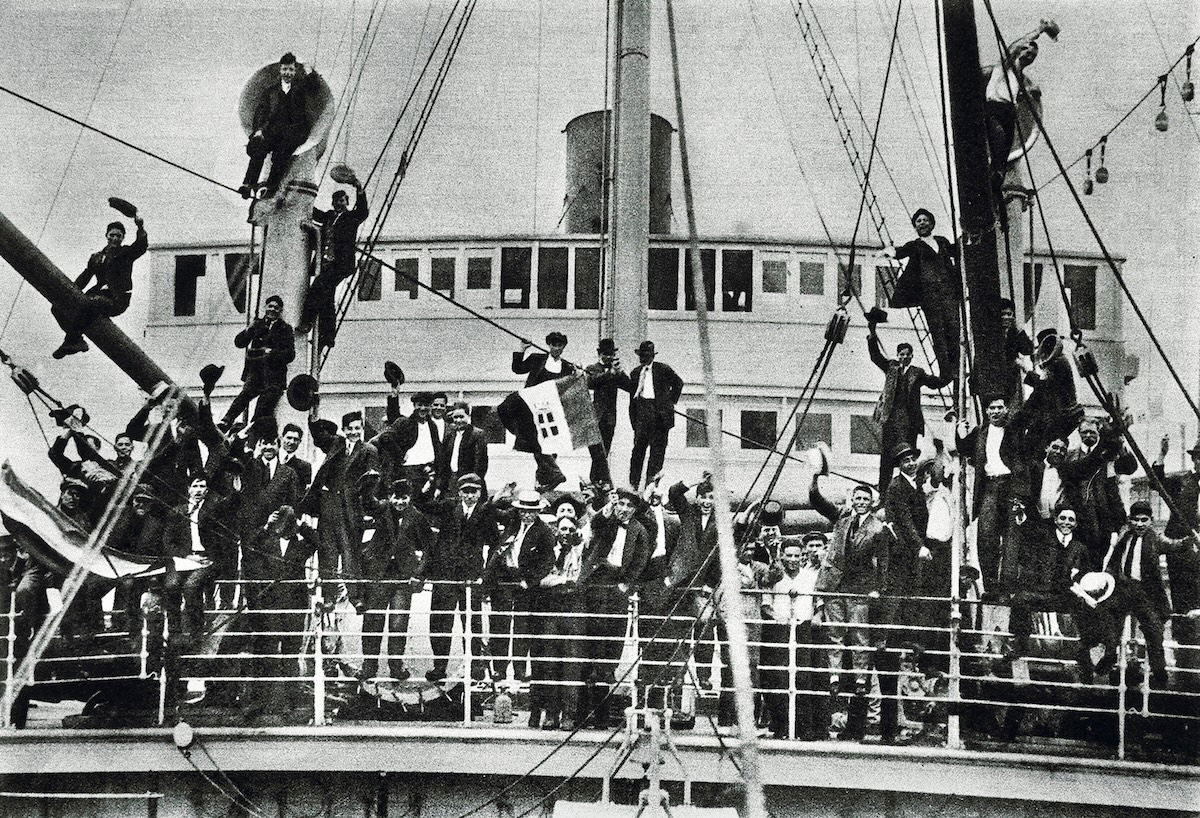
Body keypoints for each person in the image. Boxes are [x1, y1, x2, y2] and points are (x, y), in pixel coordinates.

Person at [815, 483, 890, 741]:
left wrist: (878, 589)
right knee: (834, 634)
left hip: (860, 588)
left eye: (865, 499)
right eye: (857, 498)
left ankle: (860, 679)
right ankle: (834, 675)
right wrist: (816, 478)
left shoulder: (878, 528)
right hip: (837, 586)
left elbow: (883, 563)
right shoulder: (842, 521)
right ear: (852, 500)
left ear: (871, 503)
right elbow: (817, 501)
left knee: (860, 636)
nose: (860, 502)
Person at [1100, 501, 1197, 688]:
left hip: (1145, 593)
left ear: (1151, 521)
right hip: (1123, 589)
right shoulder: (1125, 538)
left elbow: (1175, 545)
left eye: (1144, 520)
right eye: (1135, 520)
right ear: (1130, 521)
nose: (1139, 524)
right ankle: (1110, 655)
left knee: (1153, 628)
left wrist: (1190, 540)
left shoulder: (1156, 539)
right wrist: (1109, 580)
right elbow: (1113, 563)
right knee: (1110, 619)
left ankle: (1159, 670)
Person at [576, 487, 650, 726]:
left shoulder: (639, 531)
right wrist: (607, 507)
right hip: (595, 586)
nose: (625, 510)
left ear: (635, 509)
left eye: (630, 506)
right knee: (589, 650)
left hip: (617, 591)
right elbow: (595, 523)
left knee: (610, 651)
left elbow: (640, 562)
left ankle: (601, 717)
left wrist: (626, 586)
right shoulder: (606, 521)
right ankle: (581, 714)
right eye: (622, 504)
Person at [240, 505, 316, 717]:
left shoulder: (300, 546)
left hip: (294, 606)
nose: (284, 528)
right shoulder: (265, 543)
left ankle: (291, 704)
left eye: (288, 524)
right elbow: (247, 546)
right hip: (270, 606)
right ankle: (261, 702)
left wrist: (302, 527)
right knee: (267, 653)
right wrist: (265, 527)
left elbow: (319, 542)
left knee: (291, 654)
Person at [867, 316, 954, 494]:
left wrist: (949, 374)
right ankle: (884, 493)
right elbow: (875, 356)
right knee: (887, 458)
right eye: (901, 354)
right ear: (898, 355)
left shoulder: (917, 372)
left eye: (907, 354)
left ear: (911, 356)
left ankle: (906, 490)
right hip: (890, 419)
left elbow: (934, 382)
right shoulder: (890, 368)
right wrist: (872, 332)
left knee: (907, 456)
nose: (904, 357)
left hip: (909, 421)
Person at [425, 473, 499, 683]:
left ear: (480, 493)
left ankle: (475, 666)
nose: (469, 496)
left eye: (473, 492)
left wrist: (486, 571)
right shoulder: (449, 507)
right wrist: (430, 483)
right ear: (459, 493)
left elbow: (495, 544)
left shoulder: (485, 514)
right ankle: (439, 666)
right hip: (445, 575)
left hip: (471, 577)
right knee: (440, 622)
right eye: (465, 492)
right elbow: (423, 504)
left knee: (472, 622)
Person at [359, 479, 432, 681]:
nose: (400, 502)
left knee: (398, 623)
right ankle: (369, 666)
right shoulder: (382, 512)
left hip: (403, 579)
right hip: (380, 576)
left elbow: (428, 549)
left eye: (404, 498)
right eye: (396, 497)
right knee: (373, 620)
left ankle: (396, 667)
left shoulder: (417, 517)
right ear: (390, 497)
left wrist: (419, 574)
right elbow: (368, 504)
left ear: (410, 498)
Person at [484, 489, 555, 691]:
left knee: (523, 626)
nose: (526, 514)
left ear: (537, 512)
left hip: (525, 582)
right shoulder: (512, 521)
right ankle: (498, 668)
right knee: (500, 624)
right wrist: (496, 499)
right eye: (523, 510)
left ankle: (520, 669)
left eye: (530, 511)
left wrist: (530, 581)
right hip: (505, 579)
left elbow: (548, 561)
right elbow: (491, 511)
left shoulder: (544, 532)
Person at [52, 211, 147, 359]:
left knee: (91, 303)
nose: (115, 238)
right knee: (57, 308)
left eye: (119, 236)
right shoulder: (96, 257)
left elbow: (141, 246)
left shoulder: (125, 253)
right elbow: (85, 277)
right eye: (112, 235)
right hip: (97, 295)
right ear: (106, 236)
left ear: (122, 238)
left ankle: (71, 341)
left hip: (116, 300)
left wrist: (140, 226)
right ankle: (76, 340)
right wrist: (69, 292)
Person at [1006, 504, 1091, 669]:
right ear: (1055, 520)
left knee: (1086, 608)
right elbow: (1029, 557)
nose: (1066, 523)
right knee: (1021, 600)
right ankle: (1020, 644)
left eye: (1071, 520)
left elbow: (1085, 574)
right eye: (1063, 518)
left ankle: (1083, 651)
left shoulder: (1080, 549)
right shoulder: (1043, 541)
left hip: (1067, 596)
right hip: (1044, 593)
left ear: (1076, 524)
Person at [956, 395, 1025, 597]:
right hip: (989, 487)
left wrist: (1020, 495)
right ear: (986, 412)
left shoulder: (1015, 431)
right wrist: (960, 433)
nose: (995, 411)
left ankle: (1007, 587)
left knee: (1012, 539)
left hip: (1010, 487)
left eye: (999, 408)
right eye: (991, 408)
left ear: (1006, 410)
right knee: (986, 538)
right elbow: (963, 448)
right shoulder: (980, 432)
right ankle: (991, 587)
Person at [760, 534, 828, 740]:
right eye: (788, 555)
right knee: (779, 678)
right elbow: (765, 605)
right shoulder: (774, 576)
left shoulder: (810, 577)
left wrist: (817, 615)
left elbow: (819, 602)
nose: (792, 559)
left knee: (803, 677)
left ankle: (804, 728)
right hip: (780, 630)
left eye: (797, 555)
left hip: (803, 629)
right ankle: (782, 727)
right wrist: (777, 618)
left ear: (803, 556)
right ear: (782, 556)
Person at [884, 208, 962, 374]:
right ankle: (946, 370)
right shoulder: (915, 245)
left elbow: (956, 251)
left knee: (954, 328)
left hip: (948, 291)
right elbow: (900, 252)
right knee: (938, 331)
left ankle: (956, 368)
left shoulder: (942, 241)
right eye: (919, 221)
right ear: (915, 226)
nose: (922, 223)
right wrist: (889, 251)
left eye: (925, 220)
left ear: (932, 223)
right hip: (930, 294)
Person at [299, 176, 368, 351]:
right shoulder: (329, 216)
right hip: (327, 264)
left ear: (347, 202)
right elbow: (315, 213)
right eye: (336, 201)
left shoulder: (351, 218)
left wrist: (359, 189)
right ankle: (327, 337)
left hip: (341, 264)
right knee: (327, 298)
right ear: (333, 203)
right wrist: (302, 196)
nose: (339, 204)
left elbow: (363, 211)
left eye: (342, 201)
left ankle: (307, 322)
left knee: (317, 288)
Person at [532, 515, 587, 730]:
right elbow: (542, 578)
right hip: (552, 610)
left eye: (570, 529)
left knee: (572, 664)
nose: (566, 533)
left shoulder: (581, 550)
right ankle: (551, 713)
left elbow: (581, 577)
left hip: (574, 612)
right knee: (550, 663)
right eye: (562, 529)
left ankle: (569, 714)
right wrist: (564, 580)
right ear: (556, 530)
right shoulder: (550, 550)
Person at [162, 476, 233, 641]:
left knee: (191, 586)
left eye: (202, 487)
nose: (199, 490)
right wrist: (186, 556)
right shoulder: (177, 512)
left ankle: (196, 632)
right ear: (188, 489)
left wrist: (208, 558)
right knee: (171, 585)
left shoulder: (214, 510)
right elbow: (167, 542)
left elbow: (222, 538)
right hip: (184, 559)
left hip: (206, 560)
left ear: (207, 491)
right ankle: (174, 632)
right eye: (195, 486)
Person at [240, 52, 318, 198]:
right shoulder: (271, 92)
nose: (287, 73)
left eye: (290, 70)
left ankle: (271, 187)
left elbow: (314, 88)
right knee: (259, 147)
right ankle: (248, 184)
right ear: (280, 70)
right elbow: (261, 112)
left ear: (295, 71)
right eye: (285, 69)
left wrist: (309, 72)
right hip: (273, 130)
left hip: (293, 132)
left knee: (281, 153)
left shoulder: (300, 88)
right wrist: (259, 131)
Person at [219, 295, 296, 433]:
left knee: (263, 405)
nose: (272, 310)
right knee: (244, 396)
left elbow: (290, 355)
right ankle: (226, 421)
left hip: (274, 376)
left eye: (276, 308)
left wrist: (271, 353)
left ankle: (250, 430)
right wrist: (249, 329)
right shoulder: (257, 325)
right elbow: (239, 343)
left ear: (280, 310)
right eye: (270, 306)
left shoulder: (285, 329)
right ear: (265, 308)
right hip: (256, 371)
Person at [512, 331, 574, 491]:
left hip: (553, 412)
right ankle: (554, 475)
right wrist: (522, 349)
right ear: (549, 345)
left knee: (551, 447)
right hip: (534, 410)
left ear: (563, 347)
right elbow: (517, 368)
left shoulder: (567, 367)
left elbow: (569, 390)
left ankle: (543, 485)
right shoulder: (537, 359)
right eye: (553, 344)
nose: (556, 348)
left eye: (559, 345)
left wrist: (577, 375)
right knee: (537, 444)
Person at [1071, 417, 1135, 564]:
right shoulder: (1072, 456)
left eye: (1092, 432)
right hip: (1080, 519)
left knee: (1103, 561)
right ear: (1079, 433)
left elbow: (1130, 467)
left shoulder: (1108, 456)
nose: (1088, 436)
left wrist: (1119, 443)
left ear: (1098, 433)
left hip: (1104, 520)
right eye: (1085, 432)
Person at [1152, 435, 1200, 618]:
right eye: (1199, 456)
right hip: (1182, 550)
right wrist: (1162, 454)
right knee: (1183, 603)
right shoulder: (1182, 482)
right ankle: (1183, 643)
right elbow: (1156, 482)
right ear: (1194, 459)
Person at [627, 341, 683, 490]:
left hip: (660, 417)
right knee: (637, 451)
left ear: (652, 356)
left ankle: (650, 487)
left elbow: (678, 383)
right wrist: (634, 421)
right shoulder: (635, 373)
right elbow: (632, 400)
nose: (642, 358)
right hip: (642, 415)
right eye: (641, 355)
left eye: (645, 355)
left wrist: (669, 404)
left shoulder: (663, 369)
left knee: (657, 454)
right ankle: (633, 485)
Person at [584, 339, 631, 486]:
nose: (609, 357)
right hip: (595, 416)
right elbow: (591, 383)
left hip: (610, 418)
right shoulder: (592, 368)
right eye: (606, 354)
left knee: (604, 451)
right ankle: (602, 480)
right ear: (599, 354)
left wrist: (620, 372)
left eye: (611, 354)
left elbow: (629, 386)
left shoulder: (616, 371)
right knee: (596, 451)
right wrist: (610, 373)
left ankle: (596, 481)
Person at [372, 391, 440, 486]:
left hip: (428, 472)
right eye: (419, 405)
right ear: (414, 406)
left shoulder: (432, 426)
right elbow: (385, 438)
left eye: (426, 405)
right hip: (408, 471)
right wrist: (400, 455)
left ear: (431, 406)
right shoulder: (405, 423)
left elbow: (437, 449)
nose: (423, 408)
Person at [438, 401, 489, 497]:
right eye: (455, 417)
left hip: (470, 482)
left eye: (461, 417)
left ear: (468, 416)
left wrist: (473, 483)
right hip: (451, 481)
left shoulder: (477, 434)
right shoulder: (449, 435)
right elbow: (444, 462)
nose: (458, 420)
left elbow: (480, 463)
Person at [278, 422, 313, 487]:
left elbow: (301, 493)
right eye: (289, 438)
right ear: (281, 437)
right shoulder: (269, 459)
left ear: (300, 442)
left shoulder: (304, 467)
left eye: (296, 439)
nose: (292, 442)